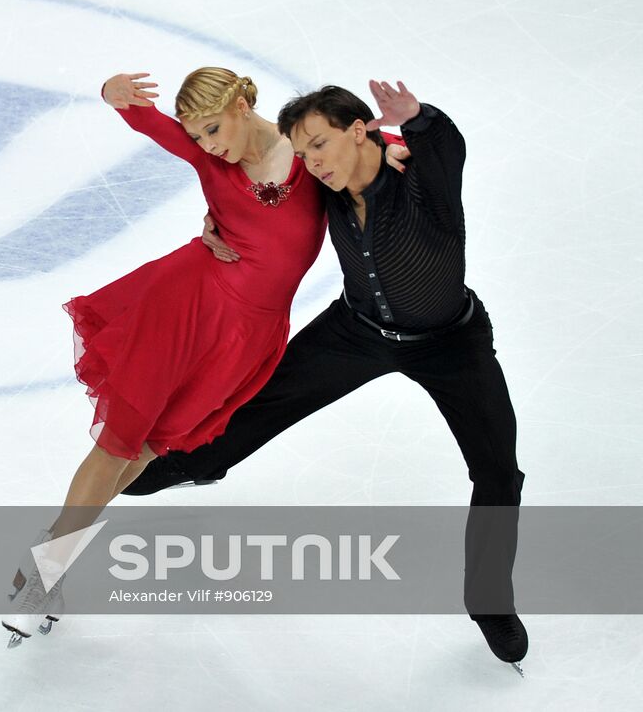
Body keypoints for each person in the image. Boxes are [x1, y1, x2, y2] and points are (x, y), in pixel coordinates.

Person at [122, 82, 529, 670]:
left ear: (358, 130)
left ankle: (490, 600)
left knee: (498, 471)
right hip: (356, 330)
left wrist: (416, 121)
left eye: (320, 145)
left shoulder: (421, 177)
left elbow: (445, 146)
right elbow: (253, 190)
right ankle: (195, 462)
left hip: (450, 344)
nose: (312, 162)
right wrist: (218, 223)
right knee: (260, 398)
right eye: (303, 152)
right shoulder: (318, 180)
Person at [2, 69, 408, 646]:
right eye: (199, 137)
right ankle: (39, 573)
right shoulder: (210, 162)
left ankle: (52, 557)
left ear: (244, 105)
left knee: (147, 447)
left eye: (214, 129)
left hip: (245, 337)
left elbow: (347, 143)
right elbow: (154, 125)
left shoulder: (304, 157)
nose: (209, 145)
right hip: (188, 305)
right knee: (118, 438)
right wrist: (112, 95)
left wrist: (393, 143)